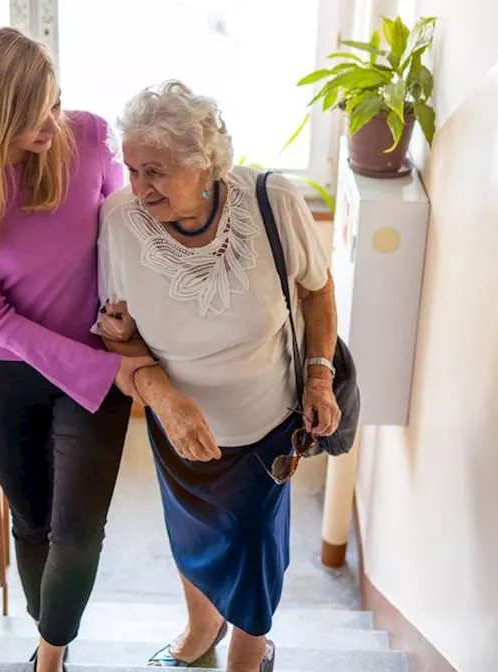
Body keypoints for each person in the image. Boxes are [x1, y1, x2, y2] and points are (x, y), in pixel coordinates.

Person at [0, 27, 154, 672]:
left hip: (97, 363)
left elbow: (123, 233)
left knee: (78, 530)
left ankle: (49, 655)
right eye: (33, 115)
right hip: (9, 371)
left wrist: (124, 320)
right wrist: (106, 369)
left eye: (55, 102)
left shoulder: (89, 136)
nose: (53, 123)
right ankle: (49, 631)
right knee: (31, 522)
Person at [94, 81, 342, 672]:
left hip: (267, 429)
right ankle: (201, 628)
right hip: (179, 428)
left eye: (155, 170)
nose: (138, 187)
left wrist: (319, 378)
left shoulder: (271, 201)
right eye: (130, 169)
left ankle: (247, 657)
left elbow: (318, 288)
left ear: (204, 163)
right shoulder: (119, 221)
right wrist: (159, 393)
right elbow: (118, 333)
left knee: (255, 550)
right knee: (194, 538)